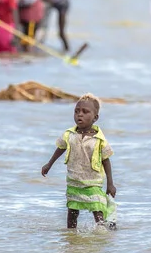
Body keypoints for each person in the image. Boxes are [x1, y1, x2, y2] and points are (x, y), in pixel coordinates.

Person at [41, 93, 117, 230]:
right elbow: (60, 148)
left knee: (97, 207)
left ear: (95, 117)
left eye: (85, 112)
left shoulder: (99, 140)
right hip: (74, 181)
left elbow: (106, 160)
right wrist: (49, 164)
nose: (79, 115)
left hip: (92, 182)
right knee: (72, 211)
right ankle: (71, 236)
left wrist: (110, 184)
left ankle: (103, 234)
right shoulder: (70, 135)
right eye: (76, 111)